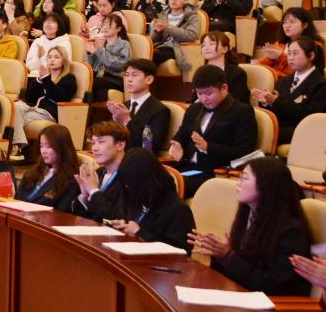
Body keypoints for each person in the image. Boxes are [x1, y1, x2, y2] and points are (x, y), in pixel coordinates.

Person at [189, 157, 312, 295]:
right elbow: (238, 271)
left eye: (244, 178)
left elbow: (275, 287)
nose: (238, 183)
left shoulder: (291, 231)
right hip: (240, 294)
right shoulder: (248, 215)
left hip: (272, 303)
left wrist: (228, 256)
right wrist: (218, 254)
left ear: (266, 185)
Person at [167, 65, 257, 197]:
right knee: (148, 180)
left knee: (168, 188)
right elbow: (182, 133)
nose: (204, 98)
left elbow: (244, 152)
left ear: (224, 88)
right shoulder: (194, 109)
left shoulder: (242, 112)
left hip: (215, 172)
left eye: (208, 93)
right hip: (187, 167)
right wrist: (177, 143)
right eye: (199, 93)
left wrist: (208, 147)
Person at [108, 149, 195, 252]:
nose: (128, 188)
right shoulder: (136, 199)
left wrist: (139, 233)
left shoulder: (178, 210)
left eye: (132, 184)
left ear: (146, 181)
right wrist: (124, 225)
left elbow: (179, 252)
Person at [252, 37, 326, 144]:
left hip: (301, 129)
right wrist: (266, 102)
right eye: (289, 53)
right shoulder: (283, 81)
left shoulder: (320, 84)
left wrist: (277, 102)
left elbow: (311, 116)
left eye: (295, 53)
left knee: (262, 134)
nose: (290, 58)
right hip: (280, 125)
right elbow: (276, 107)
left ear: (311, 56)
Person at [10, 47, 77, 159]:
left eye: (56, 57)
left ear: (64, 60)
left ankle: (19, 148)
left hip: (49, 113)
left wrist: (46, 79)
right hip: (34, 109)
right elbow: (29, 97)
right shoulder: (45, 77)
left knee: (13, 118)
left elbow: (59, 97)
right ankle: (19, 147)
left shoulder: (69, 79)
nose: (52, 60)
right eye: (49, 57)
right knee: (15, 107)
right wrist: (39, 80)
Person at [107, 59, 170, 151]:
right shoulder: (123, 106)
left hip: (139, 157)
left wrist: (127, 120)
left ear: (149, 79)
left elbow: (150, 146)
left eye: (134, 75)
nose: (129, 79)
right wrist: (115, 122)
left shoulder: (160, 110)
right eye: (127, 75)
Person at [72, 121, 130, 221]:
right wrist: (85, 197)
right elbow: (75, 216)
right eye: (93, 143)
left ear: (120, 145)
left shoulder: (129, 177)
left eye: (101, 142)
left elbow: (118, 218)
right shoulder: (98, 173)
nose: (94, 148)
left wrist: (93, 191)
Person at [15, 125, 80, 211]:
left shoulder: (70, 180)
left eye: (48, 146)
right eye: (41, 146)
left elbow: (60, 212)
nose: (43, 151)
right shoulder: (33, 172)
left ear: (62, 148)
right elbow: (17, 198)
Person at [256, 7, 324, 79]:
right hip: (275, 81)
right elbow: (260, 68)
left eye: (292, 21)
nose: (287, 25)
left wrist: (280, 57)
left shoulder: (314, 45)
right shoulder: (279, 44)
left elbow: (301, 72)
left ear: (304, 25)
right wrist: (269, 59)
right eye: (284, 22)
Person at [150, 0, 200, 70]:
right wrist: (157, 32)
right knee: (144, 52)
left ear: (185, 1)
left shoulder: (192, 16)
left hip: (177, 48)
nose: (174, 0)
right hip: (161, 46)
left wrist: (168, 27)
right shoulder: (163, 14)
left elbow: (191, 35)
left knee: (153, 55)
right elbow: (153, 40)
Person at [87, 15, 132, 102]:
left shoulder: (124, 44)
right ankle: (86, 109)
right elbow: (91, 66)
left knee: (90, 84)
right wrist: (90, 52)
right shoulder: (101, 42)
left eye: (109, 24)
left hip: (115, 80)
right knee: (85, 84)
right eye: (104, 24)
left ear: (118, 28)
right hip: (100, 78)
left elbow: (120, 65)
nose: (105, 27)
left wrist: (99, 50)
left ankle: (86, 109)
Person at [199, 32, 250, 104]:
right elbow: (194, 100)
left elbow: (238, 102)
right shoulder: (201, 72)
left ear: (225, 49)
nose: (206, 48)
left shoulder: (237, 73)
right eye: (203, 45)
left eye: (211, 44)